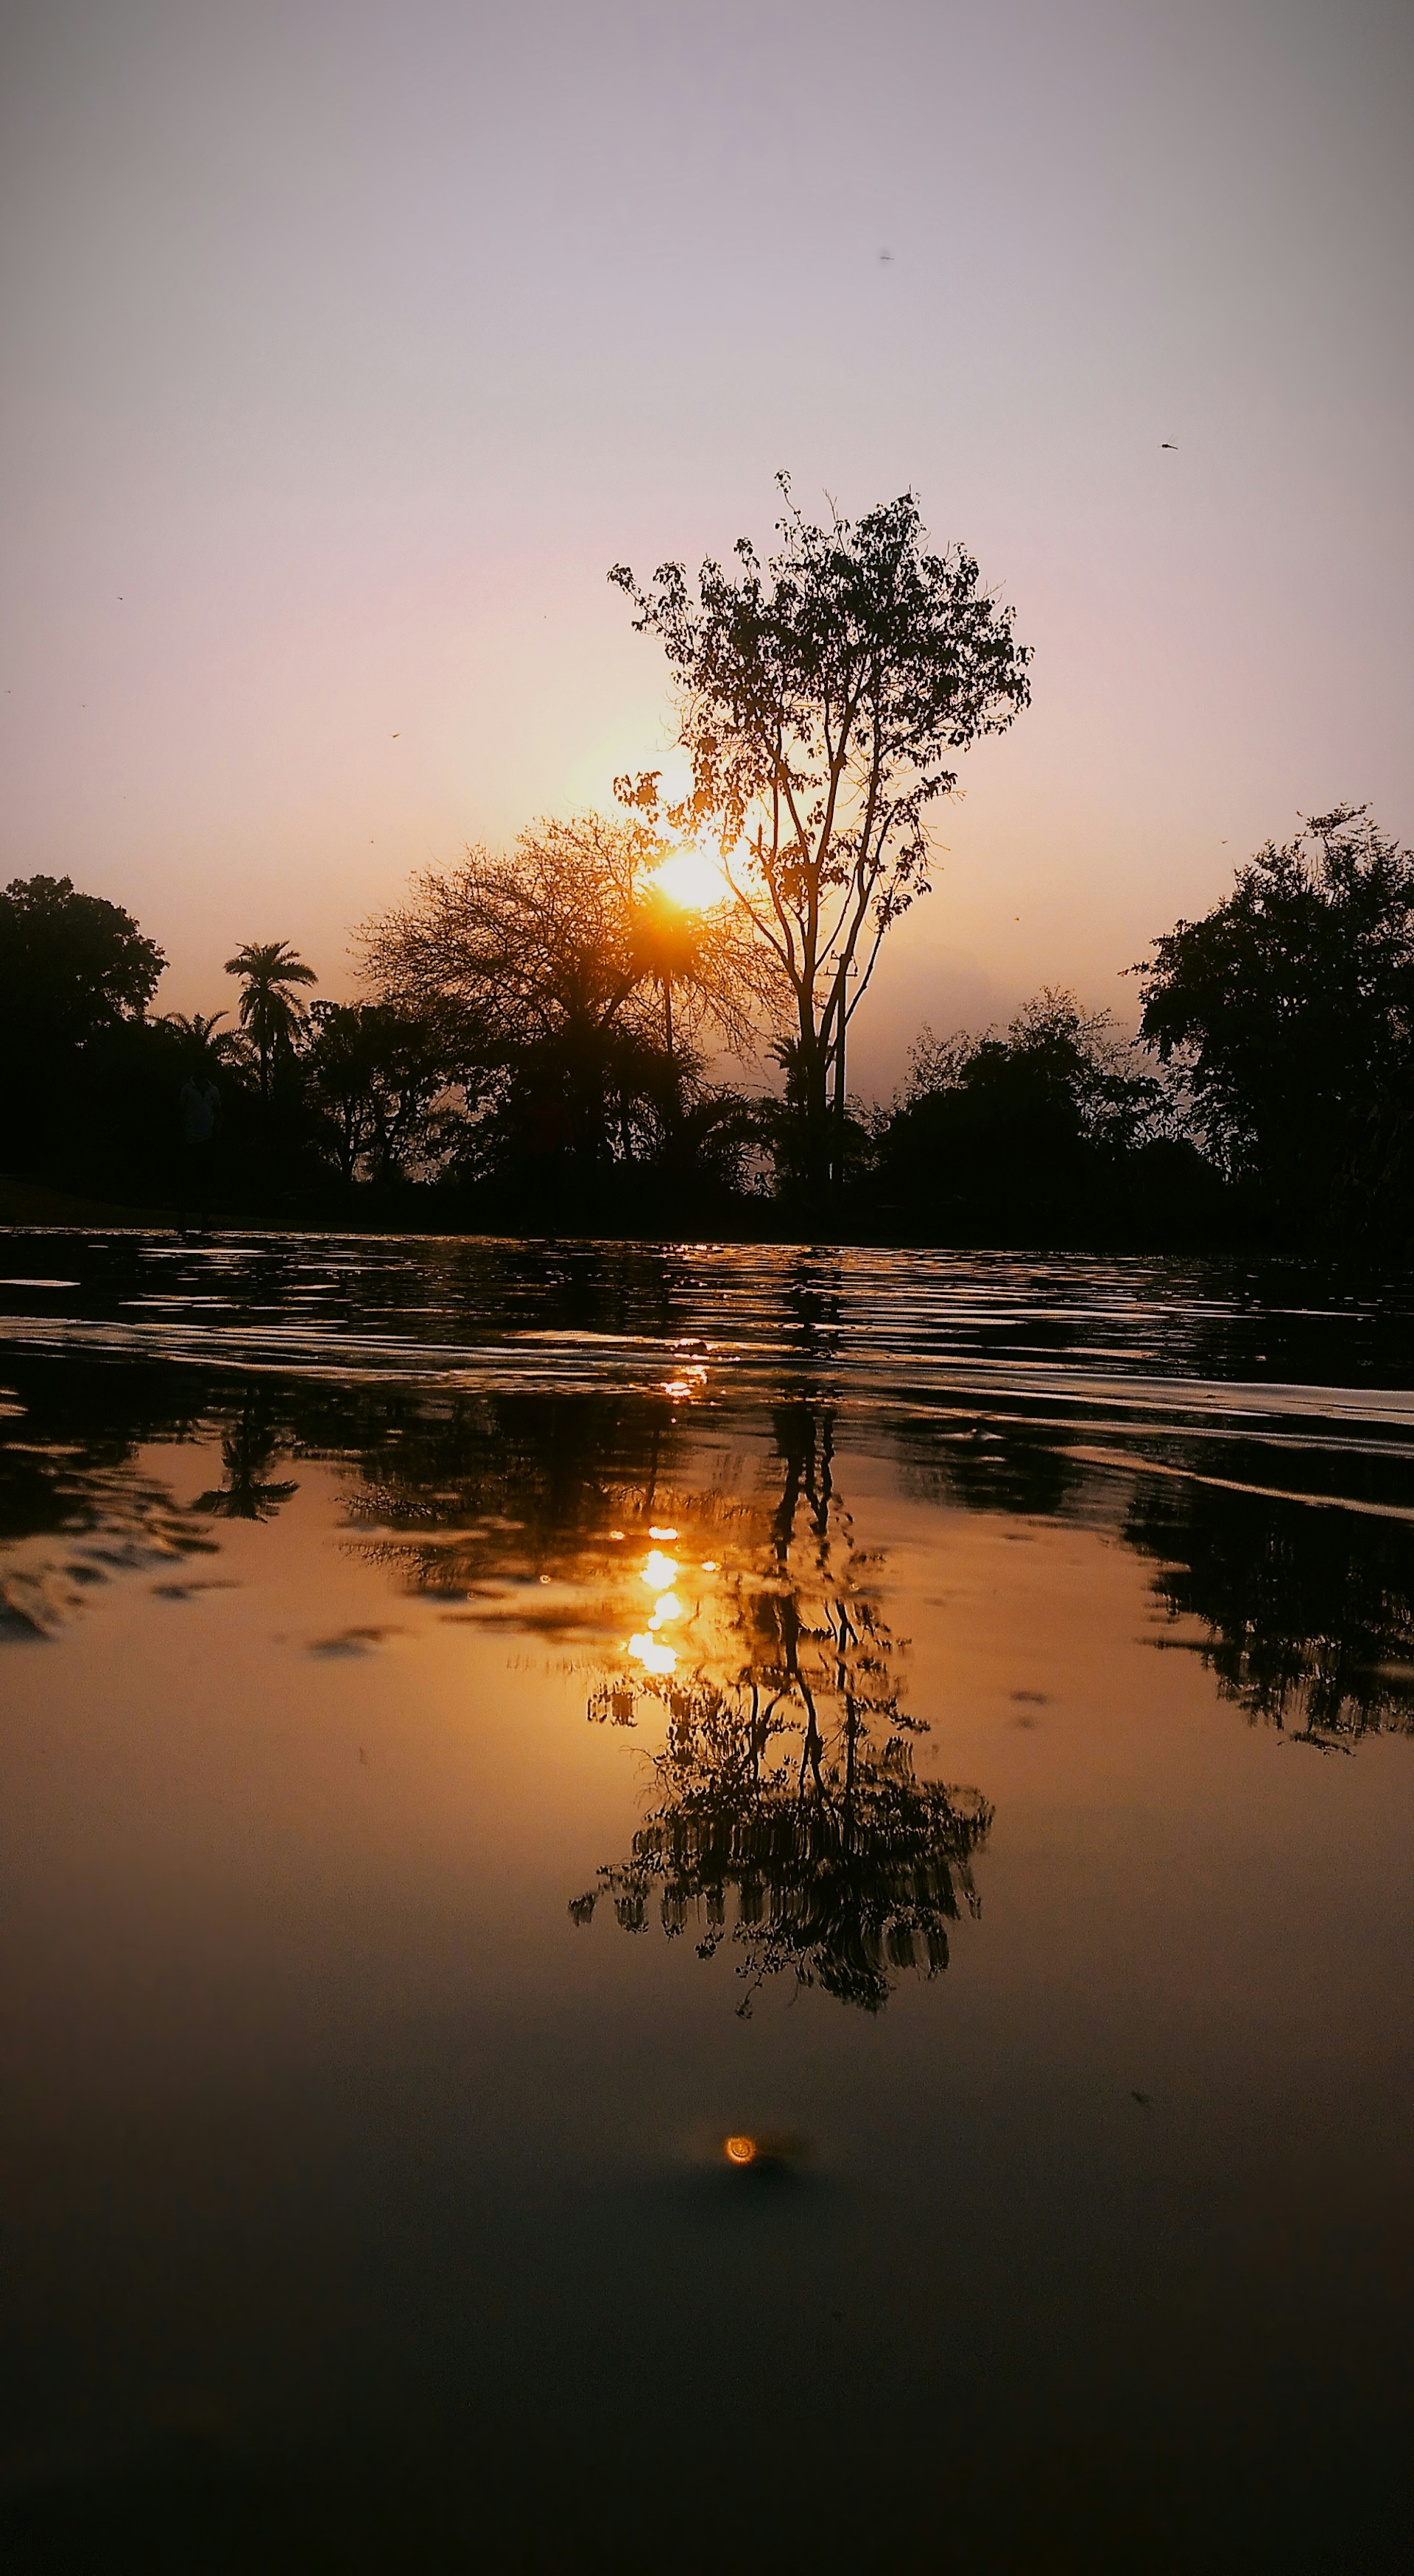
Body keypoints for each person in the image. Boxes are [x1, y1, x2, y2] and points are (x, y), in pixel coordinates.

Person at [177, 1073, 220, 1227]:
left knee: (205, 1181)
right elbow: (180, 1112)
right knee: (187, 1181)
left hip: (207, 1141)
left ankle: (204, 1218)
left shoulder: (213, 1091)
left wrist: (216, 1134)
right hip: (190, 1140)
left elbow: (218, 1112)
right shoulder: (187, 1090)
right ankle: (182, 1218)